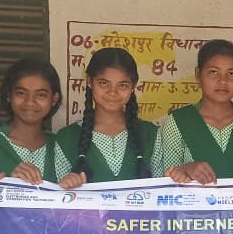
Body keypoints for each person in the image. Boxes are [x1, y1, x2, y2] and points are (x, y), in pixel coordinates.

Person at [161, 39, 233, 185]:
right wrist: (186, 169)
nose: (223, 81)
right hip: (195, 200)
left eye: (231, 73)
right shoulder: (178, 121)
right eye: (213, 72)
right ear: (198, 75)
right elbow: (167, 181)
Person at [57, 48, 161, 188]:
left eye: (122, 85)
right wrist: (66, 185)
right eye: (103, 83)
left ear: (133, 87)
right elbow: (56, 196)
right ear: (89, 81)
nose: (112, 92)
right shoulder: (66, 138)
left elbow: (163, 189)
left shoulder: (151, 134)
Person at [0, 58, 71, 184]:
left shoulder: (58, 146)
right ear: (9, 95)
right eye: (21, 93)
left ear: (54, 99)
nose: (30, 102)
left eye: (41, 95)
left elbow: (66, 191)